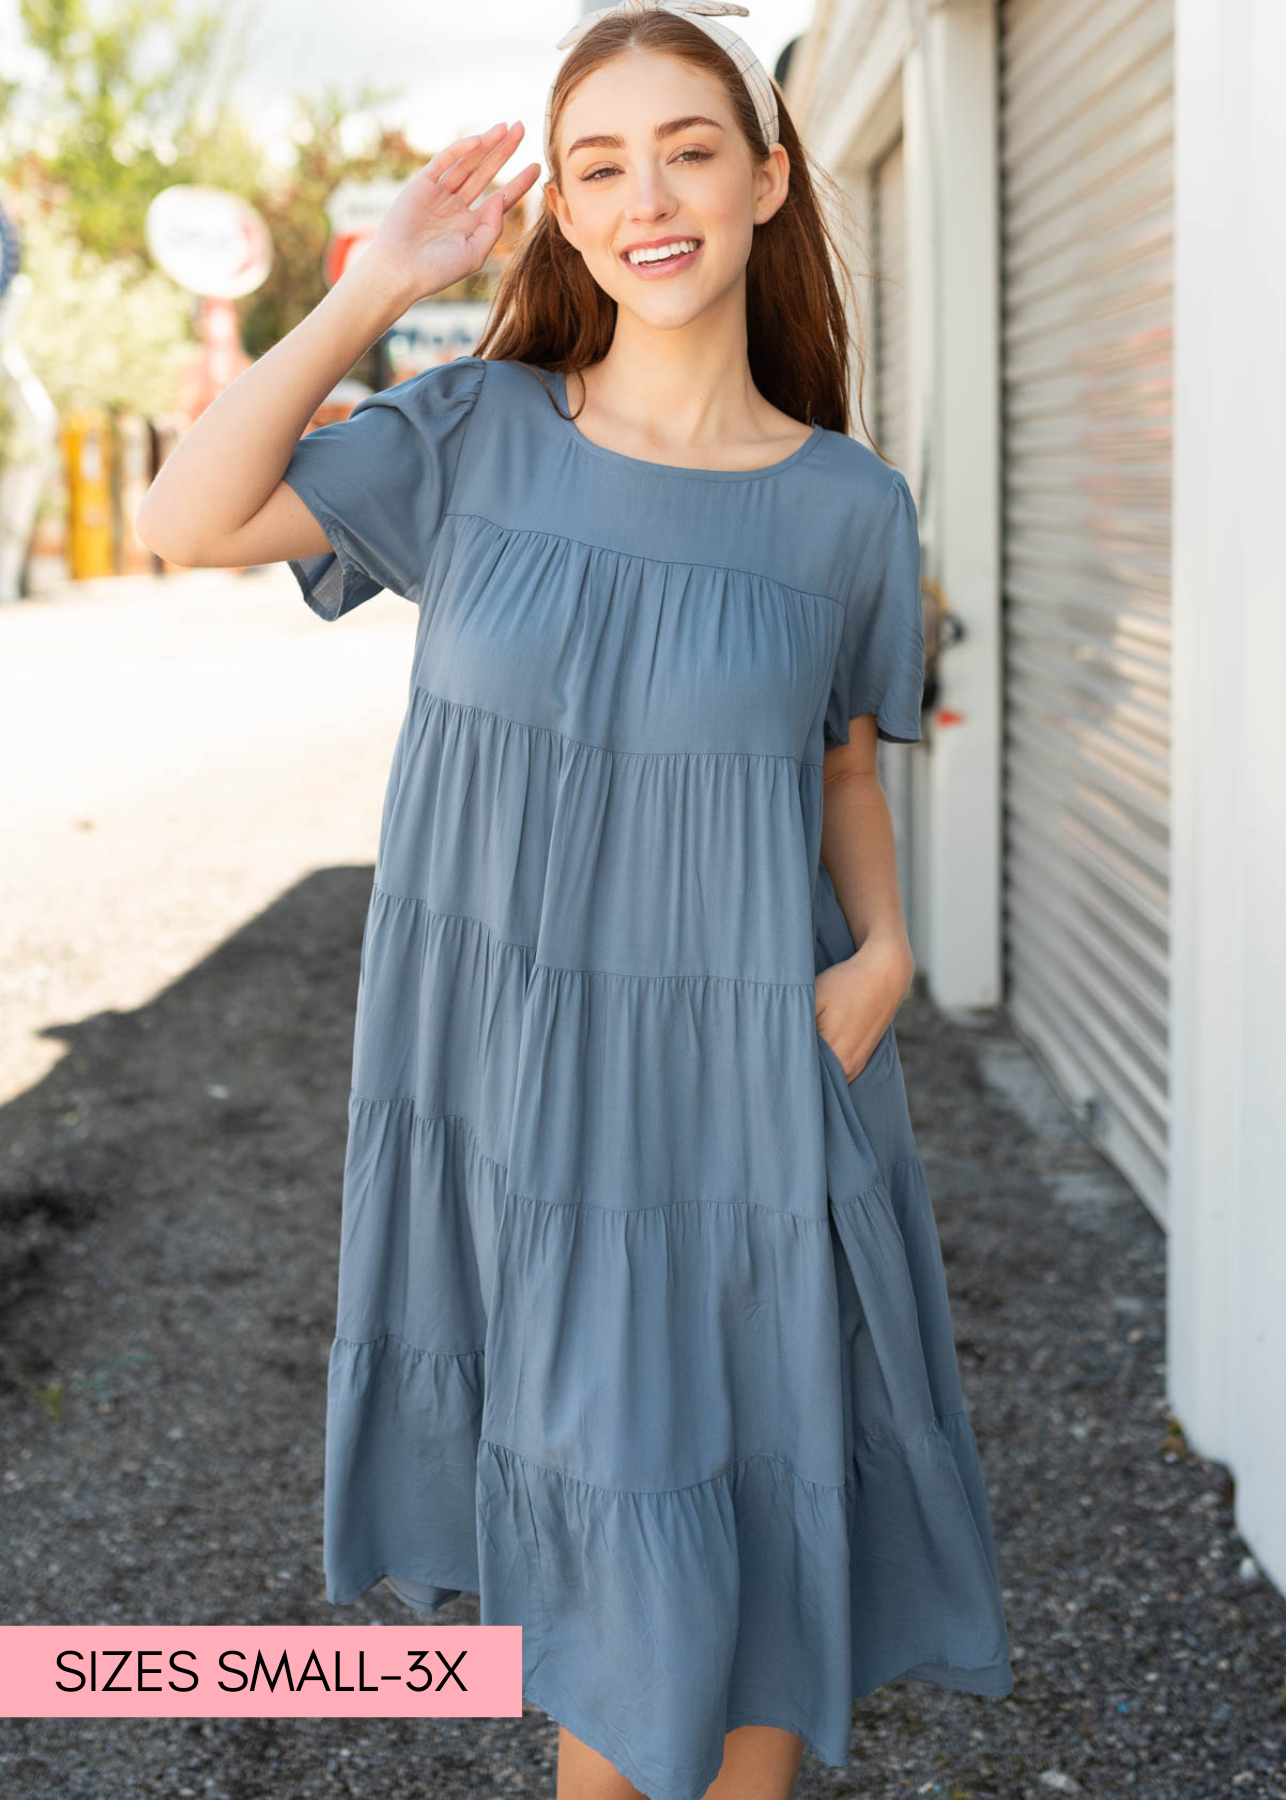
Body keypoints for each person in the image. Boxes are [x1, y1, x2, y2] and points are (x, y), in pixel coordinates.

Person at [136, 3, 1014, 1796]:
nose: (647, 197)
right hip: (511, 1078)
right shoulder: (468, 436)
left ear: (770, 179)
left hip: (753, 1066)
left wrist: (891, 947)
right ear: (565, 212)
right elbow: (184, 520)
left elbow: (843, 760)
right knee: (603, 1564)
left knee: (761, 1517)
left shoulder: (850, 507)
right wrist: (373, 286)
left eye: (689, 148)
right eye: (597, 165)